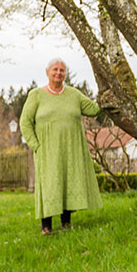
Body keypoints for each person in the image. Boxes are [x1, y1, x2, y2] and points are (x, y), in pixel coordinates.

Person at [19, 58, 103, 235]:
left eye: (62, 70)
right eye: (55, 69)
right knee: (49, 184)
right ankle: (46, 226)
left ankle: (66, 223)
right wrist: (35, 145)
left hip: (71, 149)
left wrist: (106, 93)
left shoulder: (74, 94)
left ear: (66, 74)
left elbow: (94, 109)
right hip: (47, 150)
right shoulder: (36, 95)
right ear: (47, 72)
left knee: (67, 181)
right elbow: (25, 122)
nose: (58, 73)